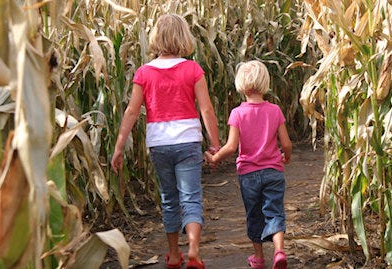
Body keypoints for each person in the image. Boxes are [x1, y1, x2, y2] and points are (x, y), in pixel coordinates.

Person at [111, 14, 220, 269]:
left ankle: (173, 255)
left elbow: (131, 112)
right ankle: (193, 250)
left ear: (156, 38)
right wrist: (214, 144)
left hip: (159, 144)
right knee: (191, 197)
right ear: (184, 37)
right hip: (188, 141)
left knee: (169, 198)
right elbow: (206, 110)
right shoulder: (193, 69)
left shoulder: (144, 72)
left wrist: (119, 147)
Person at [204, 60, 291, 269]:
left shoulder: (238, 113)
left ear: (240, 84)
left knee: (254, 214)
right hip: (273, 171)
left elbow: (231, 146)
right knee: (275, 211)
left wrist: (215, 158)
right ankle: (279, 251)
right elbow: (286, 143)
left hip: (249, 174)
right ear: (265, 83)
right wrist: (286, 156)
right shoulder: (275, 110)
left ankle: (259, 258)